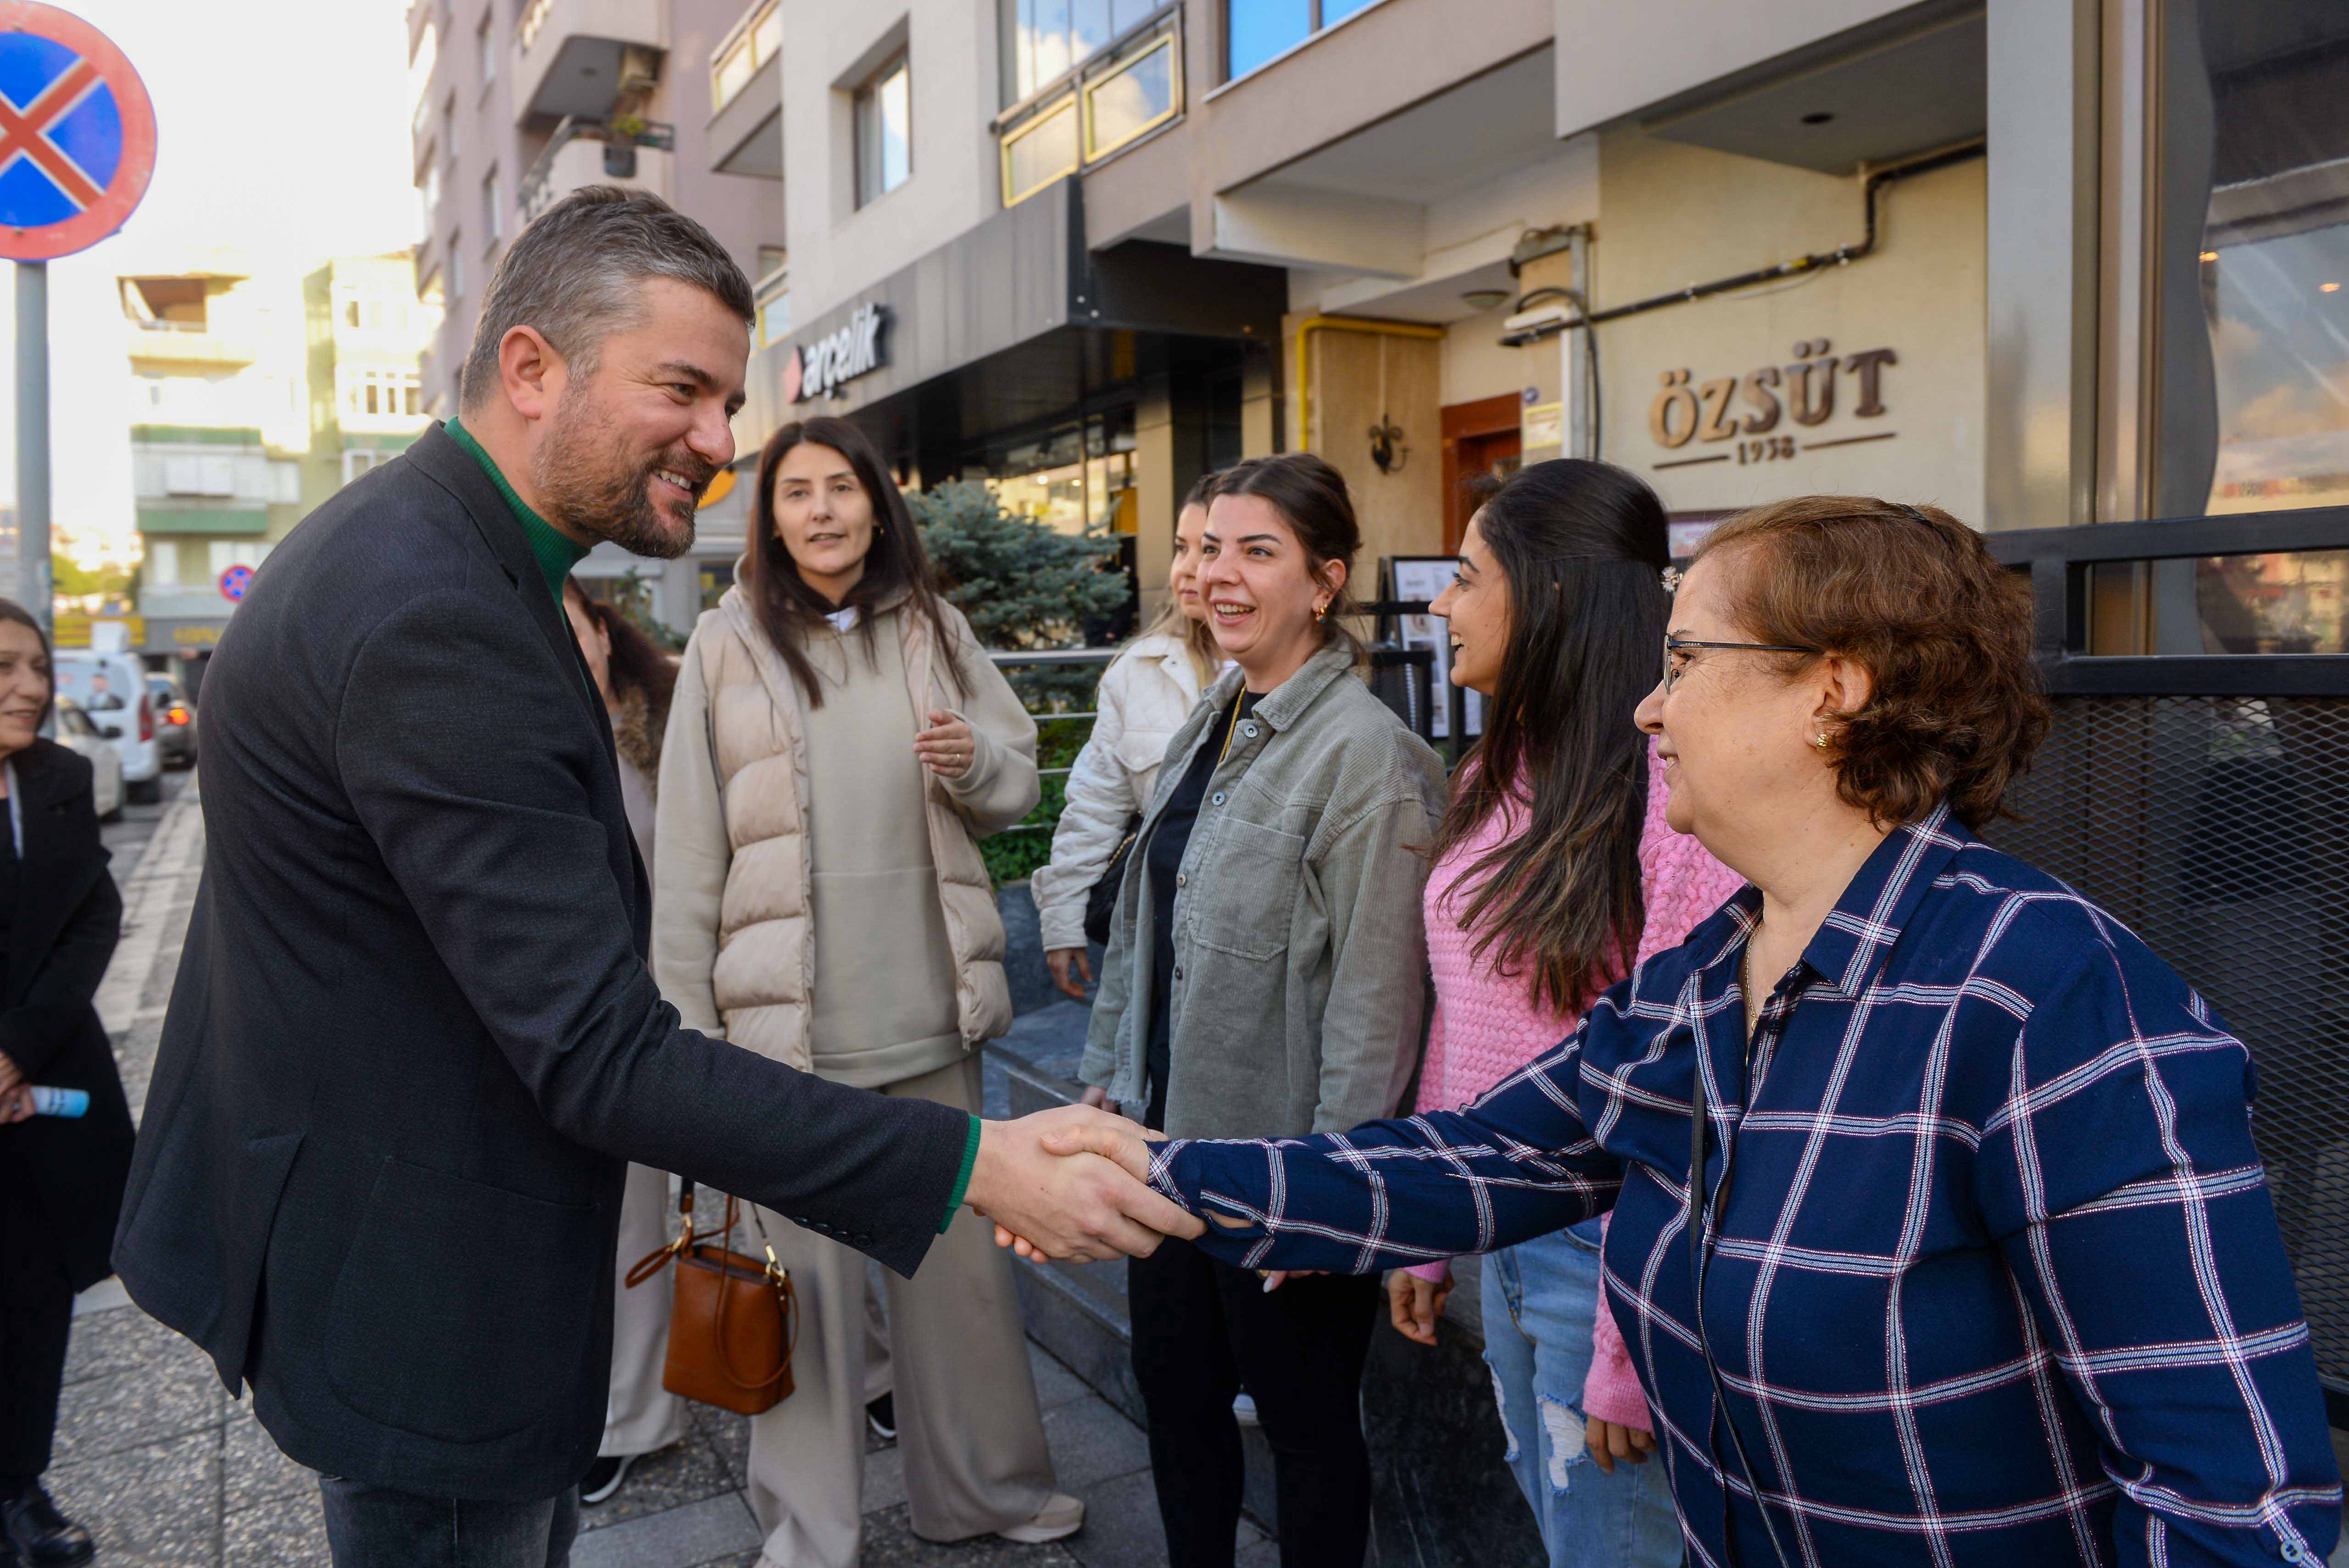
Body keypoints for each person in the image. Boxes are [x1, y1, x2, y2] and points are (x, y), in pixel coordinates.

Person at [110, 187, 1197, 1568]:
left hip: (396, 1236)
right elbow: (598, 1045)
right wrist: (976, 1163)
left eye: (728, 403)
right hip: (425, 1297)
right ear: (530, 367)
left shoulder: (434, 554)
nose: (721, 443)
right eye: (681, 390)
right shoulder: (438, 609)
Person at [1034, 496, 2345, 1567]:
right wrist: (1150, 1172)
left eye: (1683, 662)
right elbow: (1479, 1158)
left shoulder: (2051, 999)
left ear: (1832, 690)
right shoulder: (1711, 975)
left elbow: (2233, 1497)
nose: (1648, 707)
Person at [652, 414, 1078, 1565]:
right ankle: (809, 1534)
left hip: (930, 1019)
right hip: (785, 1045)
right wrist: (686, 1030)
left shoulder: (933, 624)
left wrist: (974, 762)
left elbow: (1013, 775)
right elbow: (688, 849)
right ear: (770, 516)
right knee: (805, 1308)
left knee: (961, 1293)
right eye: (798, 492)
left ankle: (985, 1490)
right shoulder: (725, 641)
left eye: (842, 487)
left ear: (877, 507)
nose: (823, 510)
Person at [1080, 454, 1447, 1568]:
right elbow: (1145, 918)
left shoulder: (1370, 758)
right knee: (1178, 1404)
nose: (1216, 574)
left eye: (1256, 551)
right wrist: (1107, 1075)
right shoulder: (1215, 714)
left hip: (1279, 1166)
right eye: (1205, 548)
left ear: (1324, 581)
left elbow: (1377, 1003)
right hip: (1165, 1145)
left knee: (1307, 1430)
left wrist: (1329, 1194)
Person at [1390, 462, 1739, 1568]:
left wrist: (1628, 1348)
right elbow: (1459, 1021)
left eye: (1465, 575)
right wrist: (1429, 1229)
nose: (1440, 604)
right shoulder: (1488, 774)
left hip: (1607, 1263)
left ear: (1545, 593)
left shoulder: (1670, 787)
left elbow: (1693, 1083)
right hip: (1503, 1234)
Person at [0, 599, 130, 1568]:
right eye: (6, 667)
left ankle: (19, 1486)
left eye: (38, 667)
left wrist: (14, 1050)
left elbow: (93, 917)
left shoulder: (60, 776)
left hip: (41, 1087)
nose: (31, 687)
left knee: (35, 1295)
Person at [557, 578, 686, 1507]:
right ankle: (630, 1418)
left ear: (605, 631)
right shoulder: (529, 734)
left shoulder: (674, 712)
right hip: (611, 1019)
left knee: (774, 1207)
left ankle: (865, 1370)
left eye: (572, 626)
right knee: (628, 1221)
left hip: (712, 990)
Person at [1032, 471, 1222, 1003]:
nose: (1187, 568)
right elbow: (1094, 805)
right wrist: (1063, 921)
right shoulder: (1139, 670)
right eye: (1181, 548)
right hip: (1158, 944)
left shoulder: (1297, 675)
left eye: (1208, 549)